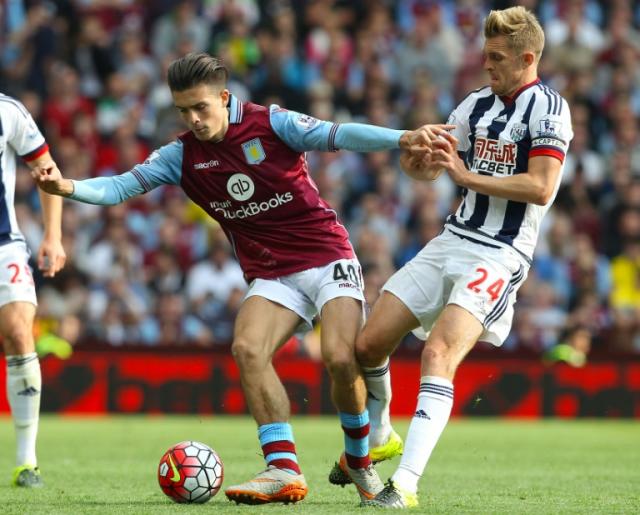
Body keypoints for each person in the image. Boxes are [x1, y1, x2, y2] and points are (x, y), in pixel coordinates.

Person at [31, 52, 449, 505]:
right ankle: (283, 467)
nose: (192, 119)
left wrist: (402, 137)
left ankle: (360, 462)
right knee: (247, 348)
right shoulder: (181, 156)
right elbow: (119, 187)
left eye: (201, 108)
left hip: (326, 255)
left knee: (339, 357)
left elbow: (339, 134)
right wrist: (67, 187)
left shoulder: (271, 124)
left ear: (224, 98)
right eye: (183, 111)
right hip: (273, 272)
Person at [355, 7, 574, 508]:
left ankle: (404, 485)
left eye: (497, 58)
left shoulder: (549, 110)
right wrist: (418, 159)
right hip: (452, 240)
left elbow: (541, 188)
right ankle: (383, 431)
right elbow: (432, 170)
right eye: (484, 55)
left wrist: (465, 176)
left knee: (437, 353)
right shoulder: (474, 105)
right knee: (367, 346)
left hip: (501, 254)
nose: (487, 66)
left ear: (527, 58)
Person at [0, 93, 67, 487]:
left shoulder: (7, 111)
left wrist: (53, 236)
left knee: (19, 331)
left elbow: (46, 168)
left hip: (3, 243)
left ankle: (27, 462)